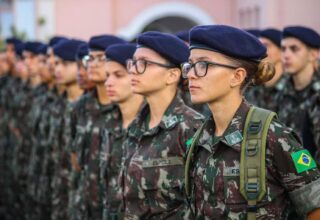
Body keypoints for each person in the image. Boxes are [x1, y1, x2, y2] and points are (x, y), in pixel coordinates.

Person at [183, 24, 320, 219]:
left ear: (237, 76)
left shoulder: (272, 136)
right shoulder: (199, 139)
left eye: (204, 65)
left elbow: (314, 207)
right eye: (190, 64)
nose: (191, 74)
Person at [123, 31, 204, 219]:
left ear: (172, 75)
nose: (134, 69)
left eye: (144, 63)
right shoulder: (137, 126)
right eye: (133, 63)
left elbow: (203, 205)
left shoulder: (191, 127)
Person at [101, 43, 144, 220]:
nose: (108, 82)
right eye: (107, 76)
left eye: (118, 75)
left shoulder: (152, 125)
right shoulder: (109, 121)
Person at [277, 26, 320, 137]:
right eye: (283, 49)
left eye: (294, 49)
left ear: (313, 55)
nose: (286, 55)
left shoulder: (316, 94)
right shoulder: (281, 91)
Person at [245, 28, 286, 111]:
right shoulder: (254, 87)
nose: (262, 50)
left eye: (267, 45)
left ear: (281, 51)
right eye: (260, 45)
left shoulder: (290, 88)